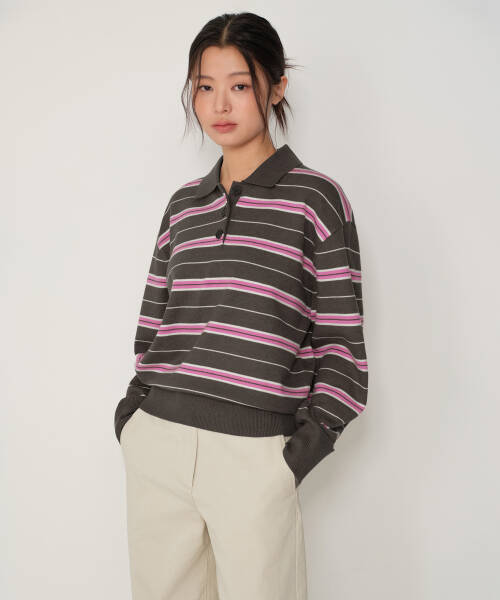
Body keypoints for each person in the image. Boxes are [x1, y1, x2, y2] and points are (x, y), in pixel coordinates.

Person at [114, 11, 369, 600]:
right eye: (205, 87)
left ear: (276, 87)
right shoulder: (183, 205)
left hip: (254, 456)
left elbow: (342, 345)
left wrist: (294, 456)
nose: (220, 105)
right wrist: (133, 419)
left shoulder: (316, 200)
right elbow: (153, 325)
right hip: (158, 446)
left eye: (240, 85)